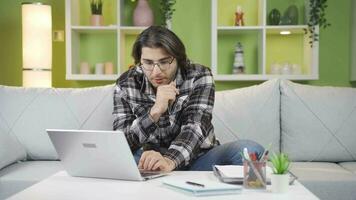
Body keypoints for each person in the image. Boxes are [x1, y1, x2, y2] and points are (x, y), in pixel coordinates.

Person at [113, 26, 263, 172]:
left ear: (178, 58)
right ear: (140, 60)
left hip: (200, 159)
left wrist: (169, 161)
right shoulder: (126, 83)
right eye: (148, 63)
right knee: (117, 159)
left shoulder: (199, 75)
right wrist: (154, 113)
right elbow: (121, 142)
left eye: (164, 62)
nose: (156, 71)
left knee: (251, 151)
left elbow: (195, 127)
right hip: (152, 163)